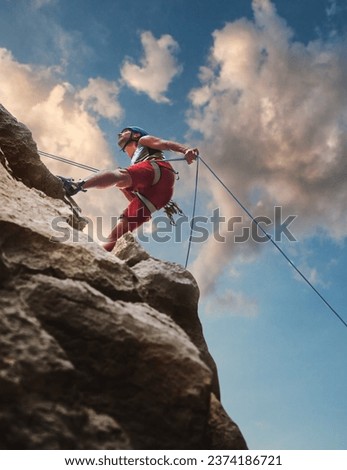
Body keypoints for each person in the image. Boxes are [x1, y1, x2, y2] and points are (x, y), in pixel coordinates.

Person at [62, 126, 198, 251]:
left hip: (158, 170)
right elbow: (130, 193)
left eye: (124, 131)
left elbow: (166, 144)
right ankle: (104, 252)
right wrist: (139, 211)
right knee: (123, 225)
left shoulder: (144, 140)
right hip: (160, 194)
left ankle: (78, 185)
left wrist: (185, 150)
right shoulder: (135, 161)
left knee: (120, 175)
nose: (119, 133)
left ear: (136, 134)